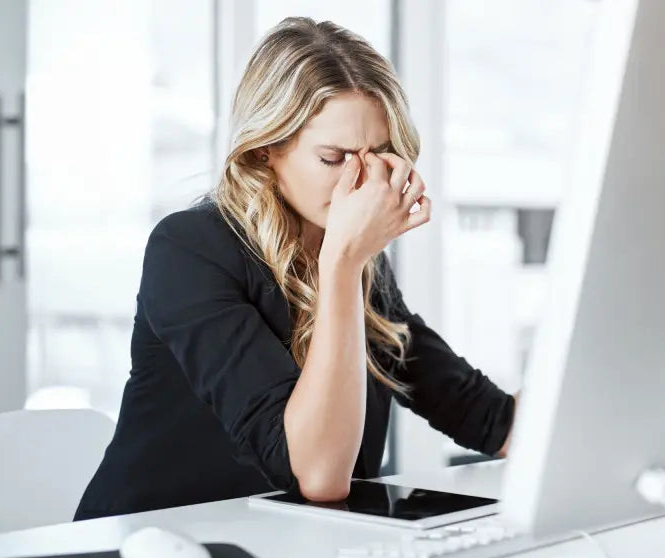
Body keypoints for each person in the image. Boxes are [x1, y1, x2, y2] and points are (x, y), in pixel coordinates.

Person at [74, 17, 517, 521]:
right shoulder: (190, 249)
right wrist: (344, 266)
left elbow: (491, 420)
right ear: (267, 149)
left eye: (382, 155)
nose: (366, 179)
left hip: (296, 549)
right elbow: (320, 477)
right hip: (154, 548)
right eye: (334, 157)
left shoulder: (357, 263)